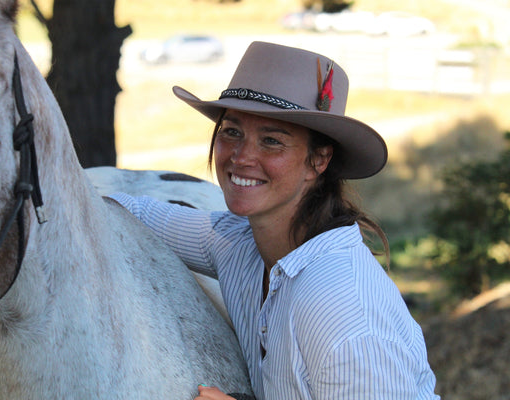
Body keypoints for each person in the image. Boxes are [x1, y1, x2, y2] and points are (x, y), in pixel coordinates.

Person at [111, 42, 439, 399]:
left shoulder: (343, 310)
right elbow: (135, 214)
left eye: (271, 141)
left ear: (319, 160)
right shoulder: (239, 245)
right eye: (231, 132)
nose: (241, 157)